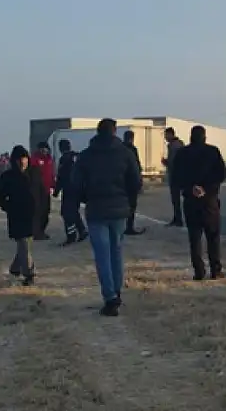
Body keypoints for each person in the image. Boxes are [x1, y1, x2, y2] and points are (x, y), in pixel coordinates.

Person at [72, 118, 142, 317]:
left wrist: (86, 198)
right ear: (114, 132)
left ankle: (110, 297)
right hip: (119, 209)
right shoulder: (125, 153)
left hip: (96, 209)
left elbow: (76, 184)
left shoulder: (86, 156)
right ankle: (116, 290)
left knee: (102, 255)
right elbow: (136, 181)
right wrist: (127, 200)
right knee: (116, 252)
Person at [173, 125, 226, 280]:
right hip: (209, 201)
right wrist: (207, 189)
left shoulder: (182, 153)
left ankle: (199, 271)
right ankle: (215, 270)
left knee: (194, 238)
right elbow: (221, 174)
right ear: (205, 136)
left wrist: (191, 188)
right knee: (213, 236)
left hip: (190, 201)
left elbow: (175, 178)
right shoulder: (213, 152)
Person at [0, 146, 48, 286]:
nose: (22, 162)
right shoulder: (8, 177)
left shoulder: (35, 173)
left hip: (34, 216)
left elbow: (43, 193)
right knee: (24, 244)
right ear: (14, 161)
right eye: (19, 159)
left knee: (26, 246)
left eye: (24, 159)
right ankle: (29, 273)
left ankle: (15, 268)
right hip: (17, 216)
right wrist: (9, 208)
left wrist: (44, 212)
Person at [54, 138, 88, 245]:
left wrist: (56, 191)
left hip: (69, 190)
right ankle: (82, 231)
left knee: (66, 213)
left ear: (60, 148)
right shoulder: (78, 156)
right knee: (74, 211)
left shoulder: (64, 159)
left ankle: (71, 235)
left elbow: (61, 177)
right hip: (79, 189)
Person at [121, 130, 146, 236]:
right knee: (131, 205)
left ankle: (121, 226)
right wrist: (139, 182)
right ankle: (129, 227)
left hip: (121, 182)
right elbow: (136, 167)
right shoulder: (132, 149)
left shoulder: (119, 149)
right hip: (130, 182)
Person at [29, 142, 56, 241]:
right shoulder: (34, 160)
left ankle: (41, 231)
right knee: (37, 212)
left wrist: (54, 185)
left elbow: (51, 174)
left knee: (46, 211)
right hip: (36, 191)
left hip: (46, 190)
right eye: (41, 149)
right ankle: (37, 232)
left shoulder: (49, 160)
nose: (43, 151)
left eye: (45, 149)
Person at [162, 127, 186, 227]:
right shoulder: (180, 144)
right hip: (182, 174)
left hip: (175, 175)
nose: (165, 137)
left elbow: (172, 162)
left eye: (166, 135)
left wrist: (165, 162)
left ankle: (178, 219)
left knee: (175, 199)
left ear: (171, 134)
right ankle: (178, 219)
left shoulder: (173, 146)